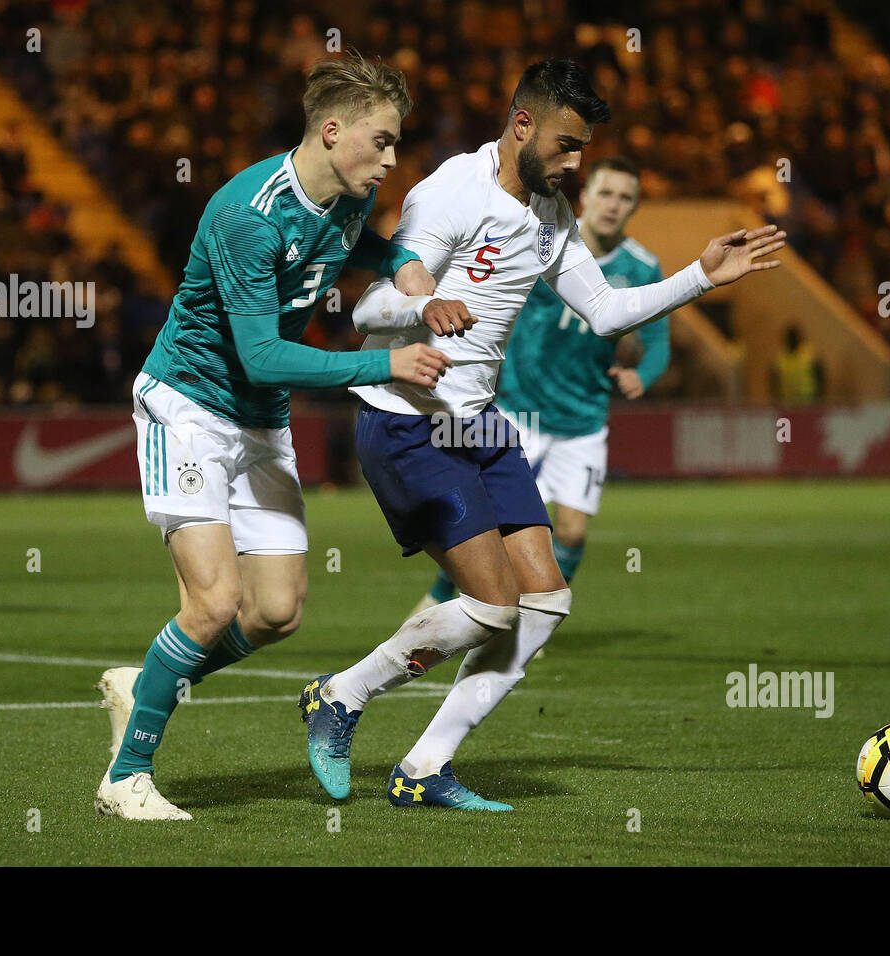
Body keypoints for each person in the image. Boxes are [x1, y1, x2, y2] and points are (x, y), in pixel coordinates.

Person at [299, 59, 785, 810]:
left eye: (583, 148)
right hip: (410, 420)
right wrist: (424, 309)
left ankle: (425, 768)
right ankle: (342, 695)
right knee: (493, 605)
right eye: (565, 144)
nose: (575, 163)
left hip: (481, 424)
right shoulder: (449, 194)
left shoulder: (551, 215)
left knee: (547, 602)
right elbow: (365, 311)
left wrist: (700, 276)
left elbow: (609, 313)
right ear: (521, 125)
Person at [94, 52, 452, 821]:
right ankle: (127, 778)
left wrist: (406, 262)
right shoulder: (246, 215)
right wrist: (384, 363)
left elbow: (353, 247)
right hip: (188, 407)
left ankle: (149, 682)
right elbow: (260, 353)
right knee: (215, 602)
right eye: (382, 142)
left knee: (277, 612)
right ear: (333, 131)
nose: (392, 160)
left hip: (258, 419)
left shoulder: (345, 198)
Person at [411, 155, 671, 613]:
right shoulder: (543, 242)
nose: (614, 205)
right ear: (586, 197)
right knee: (488, 522)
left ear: (634, 207)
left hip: (584, 418)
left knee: (571, 531)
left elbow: (658, 341)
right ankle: (438, 598)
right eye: (606, 193)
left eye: (626, 197)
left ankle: (535, 617)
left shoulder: (642, 266)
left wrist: (641, 375)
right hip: (519, 409)